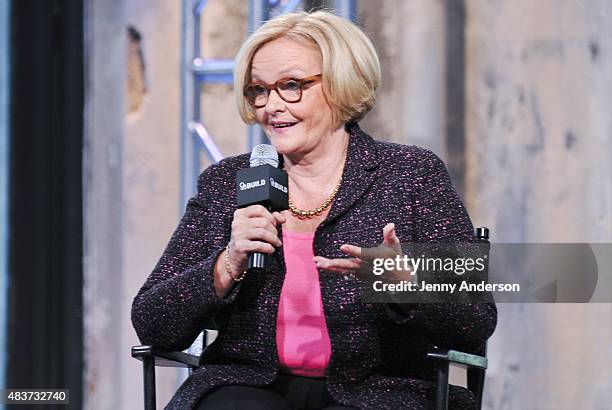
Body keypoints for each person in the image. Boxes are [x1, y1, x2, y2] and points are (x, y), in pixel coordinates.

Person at [131, 10, 497, 410]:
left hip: (380, 391)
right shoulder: (227, 181)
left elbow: (475, 322)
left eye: (291, 86)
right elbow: (152, 322)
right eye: (259, 90)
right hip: (248, 384)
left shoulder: (411, 175)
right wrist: (226, 264)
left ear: (342, 84)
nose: (270, 106)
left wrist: (405, 286)